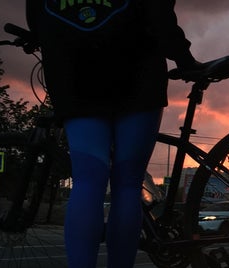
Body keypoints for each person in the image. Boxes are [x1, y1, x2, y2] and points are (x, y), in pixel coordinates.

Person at [25, 1, 199, 267]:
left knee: (87, 181)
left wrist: (41, 35)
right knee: (128, 186)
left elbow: (37, 12)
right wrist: (184, 59)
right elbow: (157, 10)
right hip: (137, 74)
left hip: (74, 74)